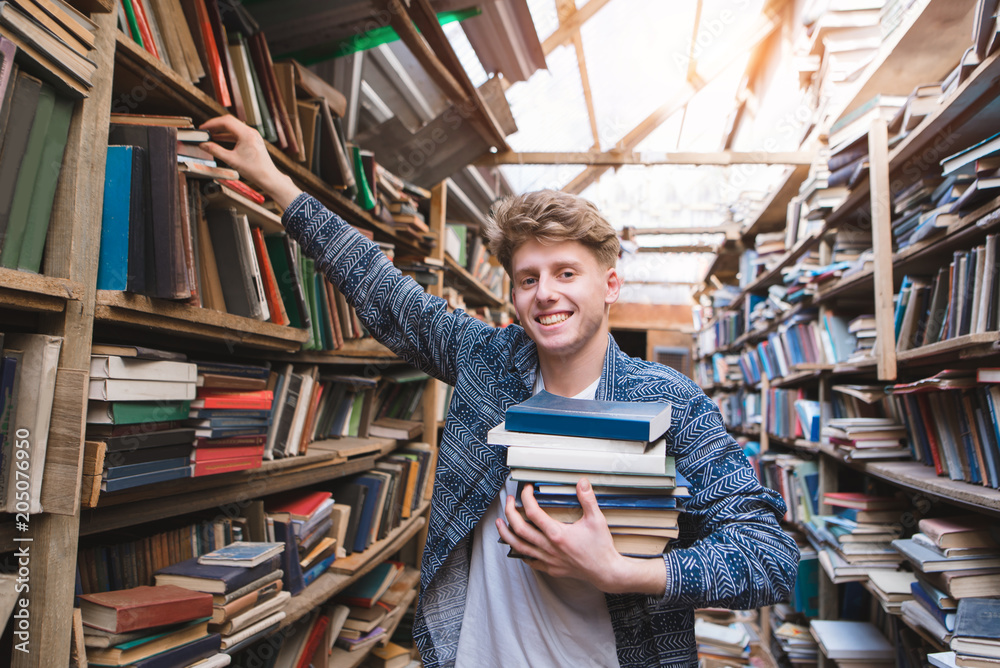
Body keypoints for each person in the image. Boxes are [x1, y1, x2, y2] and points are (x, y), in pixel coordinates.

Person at [200, 114, 799, 668]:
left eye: (567, 273)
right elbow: (382, 291)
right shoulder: (487, 362)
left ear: (610, 284)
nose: (545, 293)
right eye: (528, 279)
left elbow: (769, 559)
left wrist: (622, 572)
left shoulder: (672, 403)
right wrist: (277, 183)